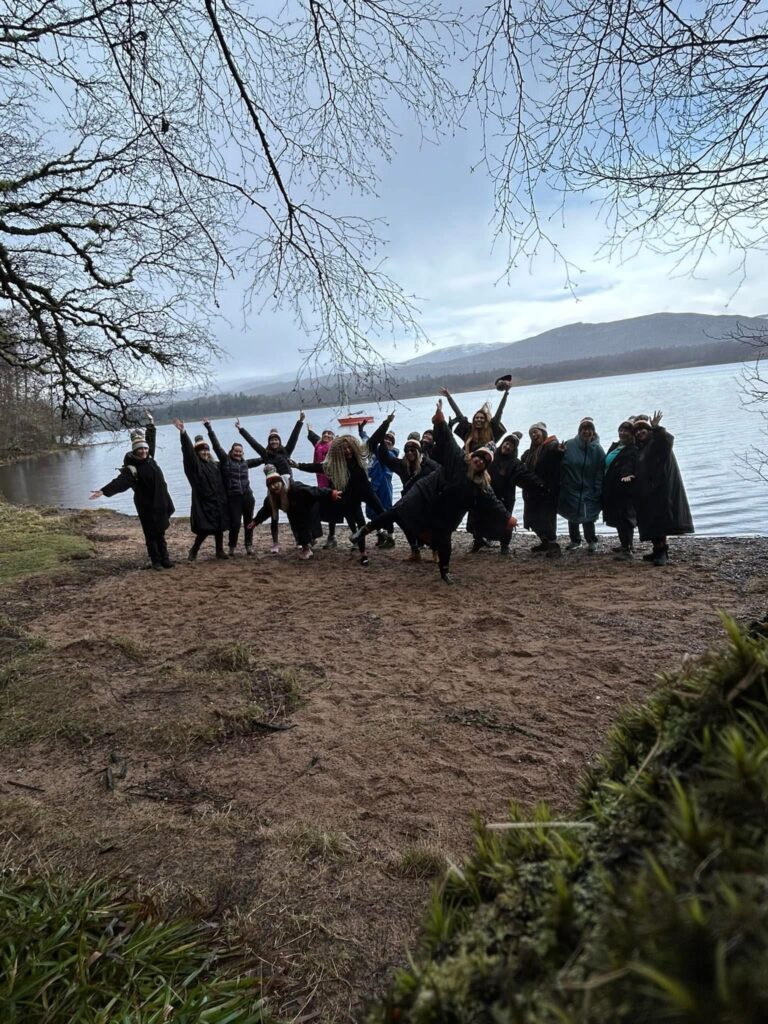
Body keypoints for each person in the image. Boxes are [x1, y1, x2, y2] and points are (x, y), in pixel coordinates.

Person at [352, 401, 515, 584]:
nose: (480, 462)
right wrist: (440, 421)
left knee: (444, 542)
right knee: (397, 510)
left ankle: (444, 572)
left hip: (449, 513)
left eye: (484, 462)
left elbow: (493, 502)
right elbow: (449, 440)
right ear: (472, 457)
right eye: (478, 458)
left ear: (485, 466)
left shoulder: (481, 483)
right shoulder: (458, 460)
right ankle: (364, 530)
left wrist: (508, 518)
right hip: (427, 496)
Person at [89, 412, 175, 570]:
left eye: (145, 449)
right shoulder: (132, 468)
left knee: (161, 532)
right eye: (140, 449)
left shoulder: (149, 458)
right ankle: (156, 561)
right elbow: (121, 482)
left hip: (161, 502)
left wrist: (151, 424)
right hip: (146, 505)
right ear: (135, 451)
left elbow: (150, 441)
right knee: (151, 534)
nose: (143, 451)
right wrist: (104, 491)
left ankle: (165, 559)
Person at [293, 425, 389, 565]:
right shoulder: (336, 465)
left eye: (349, 448)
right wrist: (298, 465)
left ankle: (380, 531)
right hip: (351, 497)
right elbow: (317, 467)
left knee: (383, 514)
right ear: (340, 451)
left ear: (353, 448)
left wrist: (386, 423)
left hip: (366, 491)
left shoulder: (359, 457)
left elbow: (373, 440)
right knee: (360, 524)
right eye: (344, 449)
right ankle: (363, 554)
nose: (347, 450)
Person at [632, 411, 694, 566]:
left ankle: (662, 552)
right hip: (647, 491)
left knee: (660, 522)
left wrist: (657, 428)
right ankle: (656, 550)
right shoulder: (640, 448)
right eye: (637, 431)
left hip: (660, 490)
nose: (640, 432)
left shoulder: (657, 442)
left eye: (643, 429)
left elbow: (666, 441)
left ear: (649, 431)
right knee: (650, 522)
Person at [249, 465, 341, 560]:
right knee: (297, 528)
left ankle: (307, 548)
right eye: (270, 485)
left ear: (281, 481)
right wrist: (255, 521)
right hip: (293, 511)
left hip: (309, 507)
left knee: (304, 526)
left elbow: (313, 490)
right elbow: (266, 509)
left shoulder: (296, 487)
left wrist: (330, 493)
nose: (273, 487)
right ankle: (307, 544)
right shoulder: (272, 497)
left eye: (275, 483)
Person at [374, 434, 439, 560]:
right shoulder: (402, 465)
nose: (409, 453)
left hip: (427, 502)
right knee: (402, 519)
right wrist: (382, 438)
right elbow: (385, 457)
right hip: (409, 503)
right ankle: (415, 551)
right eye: (407, 451)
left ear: (418, 452)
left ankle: (435, 550)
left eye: (413, 450)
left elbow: (443, 475)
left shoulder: (429, 465)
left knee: (430, 527)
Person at [203, 418, 262, 556]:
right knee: (235, 524)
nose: (238, 453)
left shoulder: (246, 463)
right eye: (236, 451)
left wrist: (270, 456)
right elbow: (216, 446)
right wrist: (209, 428)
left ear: (243, 453)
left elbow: (262, 458)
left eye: (240, 452)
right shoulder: (225, 460)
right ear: (231, 451)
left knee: (249, 523)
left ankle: (248, 545)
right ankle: (232, 546)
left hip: (247, 497)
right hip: (234, 498)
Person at [173, 419, 230, 561]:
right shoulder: (195, 466)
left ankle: (219, 551)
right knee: (205, 528)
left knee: (219, 527)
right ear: (197, 452)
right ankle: (194, 550)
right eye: (202, 450)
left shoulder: (214, 464)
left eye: (206, 450)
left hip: (218, 499)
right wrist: (183, 433)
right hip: (204, 501)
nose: (205, 452)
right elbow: (188, 453)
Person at [484, 433, 545, 557]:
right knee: (482, 517)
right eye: (506, 443)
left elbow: (526, 475)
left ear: (514, 449)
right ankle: (479, 540)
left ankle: (505, 545)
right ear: (502, 443)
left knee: (506, 521)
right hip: (488, 493)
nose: (507, 447)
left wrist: (540, 484)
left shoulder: (515, 463)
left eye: (511, 446)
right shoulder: (492, 455)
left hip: (506, 497)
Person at [558, 417, 606, 553]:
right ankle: (575, 540)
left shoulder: (598, 449)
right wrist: (558, 453)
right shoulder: (569, 445)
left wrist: (598, 489)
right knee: (572, 515)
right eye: (584, 429)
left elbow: (601, 471)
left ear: (593, 432)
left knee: (588, 516)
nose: (586, 432)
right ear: (579, 431)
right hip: (571, 488)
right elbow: (560, 464)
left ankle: (591, 541)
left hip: (589, 489)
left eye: (589, 429)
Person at [521, 422, 563, 556]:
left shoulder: (551, 445)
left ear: (543, 433)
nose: (534, 435)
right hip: (533, 490)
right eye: (531, 433)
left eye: (536, 432)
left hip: (547, 490)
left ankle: (554, 546)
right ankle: (545, 542)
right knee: (532, 519)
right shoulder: (531, 451)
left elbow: (556, 452)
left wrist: (559, 451)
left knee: (547, 519)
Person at [359, 418, 398, 547]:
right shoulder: (374, 451)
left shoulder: (391, 454)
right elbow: (367, 440)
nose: (387, 441)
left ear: (393, 444)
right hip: (372, 486)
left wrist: (381, 435)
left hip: (384, 487)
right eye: (386, 438)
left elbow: (376, 445)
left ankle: (391, 537)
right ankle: (380, 534)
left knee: (386, 512)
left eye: (390, 440)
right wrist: (361, 431)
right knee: (372, 512)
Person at [439, 381, 511, 451]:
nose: (479, 419)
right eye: (477, 418)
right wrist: (448, 396)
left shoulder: (491, 428)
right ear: (474, 419)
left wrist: (506, 393)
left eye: (482, 418)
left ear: (485, 420)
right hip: (469, 457)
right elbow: (458, 413)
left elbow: (500, 410)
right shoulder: (469, 428)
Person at [602, 421, 638, 561]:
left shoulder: (632, 449)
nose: (623, 433)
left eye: (626, 431)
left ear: (632, 434)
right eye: (621, 430)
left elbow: (629, 465)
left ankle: (628, 548)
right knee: (617, 518)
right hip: (611, 487)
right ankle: (624, 545)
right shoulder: (616, 446)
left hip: (623, 487)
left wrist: (626, 475)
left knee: (625, 518)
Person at [236, 413, 304, 476]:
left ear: (279, 441)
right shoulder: (265, 454)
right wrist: (240, 429)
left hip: (288, 482)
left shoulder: (286, 451)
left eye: (276, 440)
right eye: (271, 440)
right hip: (273, 483)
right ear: (269, 442)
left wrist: (300, 421)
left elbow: (294, 437)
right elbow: (253, 442)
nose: (274, 442)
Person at [305, 424, 338, 547]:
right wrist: (310, 430)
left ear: (333, 437)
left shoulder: (334, 447)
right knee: (316, 508)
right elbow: (314, 438)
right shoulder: (318, 445)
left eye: (329, 433)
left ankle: (332, 536)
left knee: (331, 509)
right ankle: (314, 535)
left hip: (332, 482)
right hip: (321, 482)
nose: (326, 435)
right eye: (325, 433)